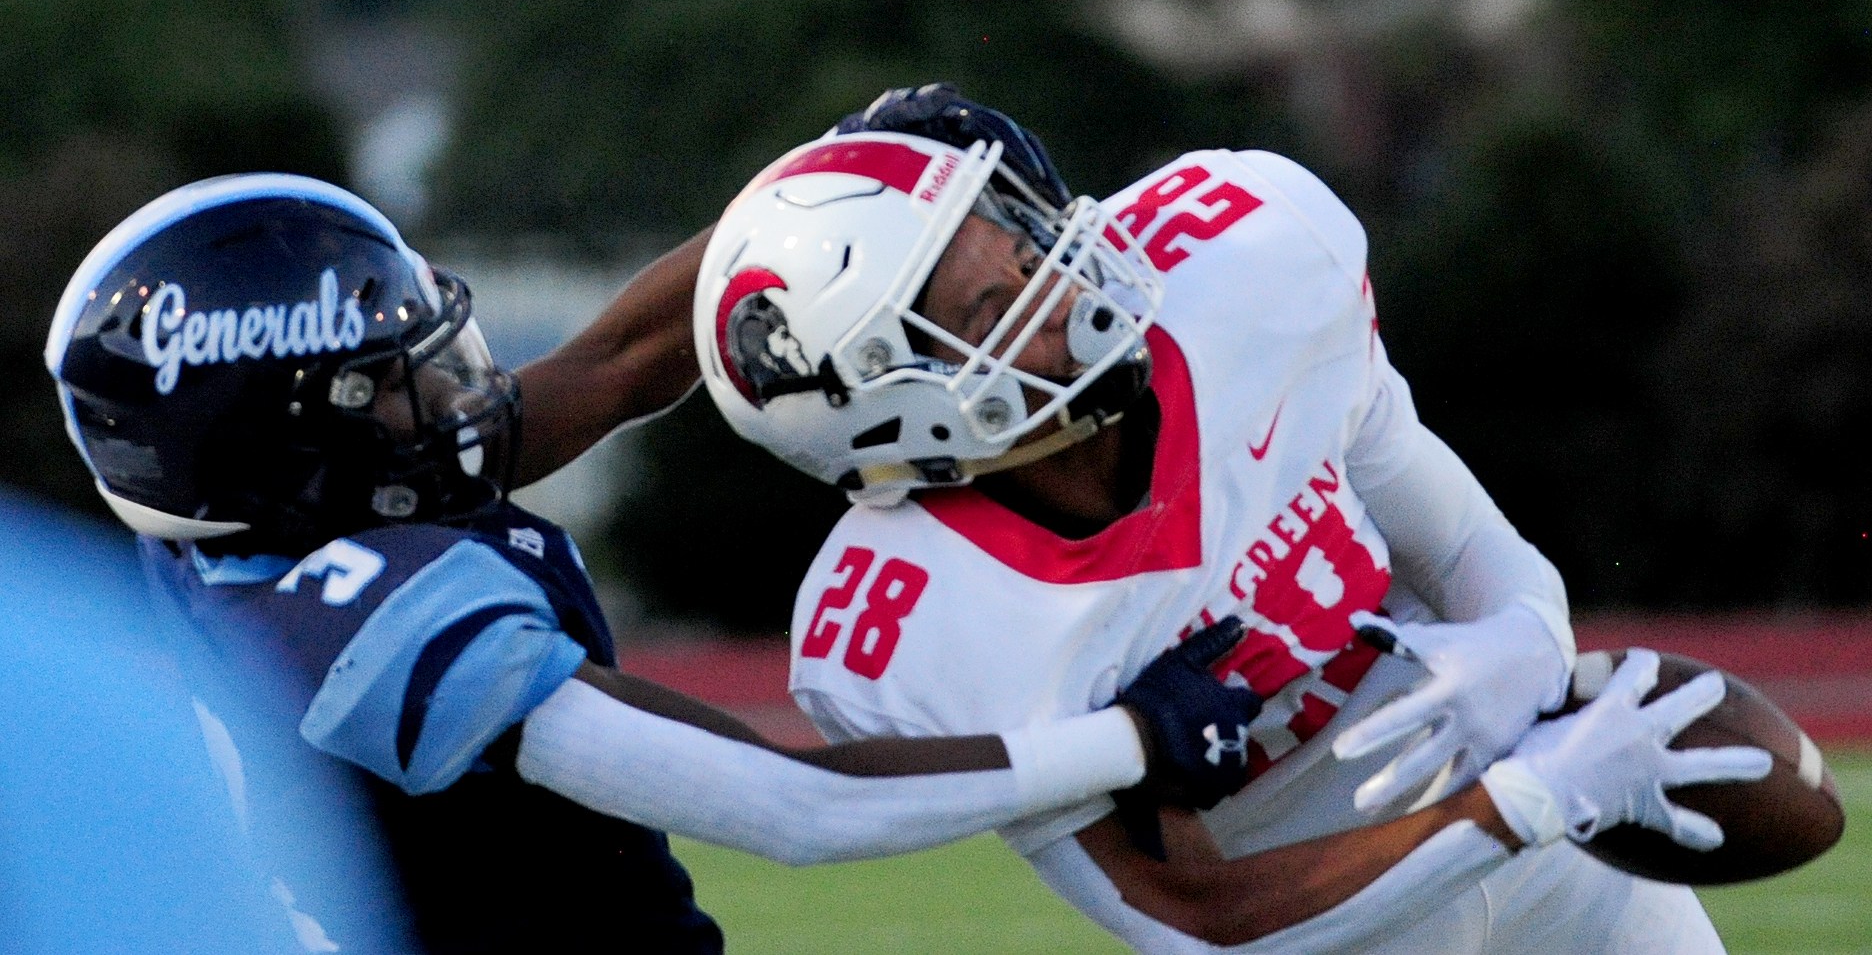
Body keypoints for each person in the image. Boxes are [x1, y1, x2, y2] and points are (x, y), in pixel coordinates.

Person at [42, 173, 1270, 952]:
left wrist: (828, 188)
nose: (453, 397)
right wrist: (1136, 737)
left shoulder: (242, 530)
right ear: (292, 440)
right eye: (392, 385)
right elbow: (799, 804)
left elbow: (621, 361)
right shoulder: (381, 625)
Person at [671, 85, 1771, 953]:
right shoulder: (920, 628)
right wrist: (1514, 803)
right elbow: (1201, 919)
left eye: (1021, 239)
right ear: (891, 404)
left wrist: (1525, 635)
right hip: (1326, 911)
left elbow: (1445, 520)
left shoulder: (1240, 265)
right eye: (995, 307)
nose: (1059, 282)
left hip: (1535, 830)